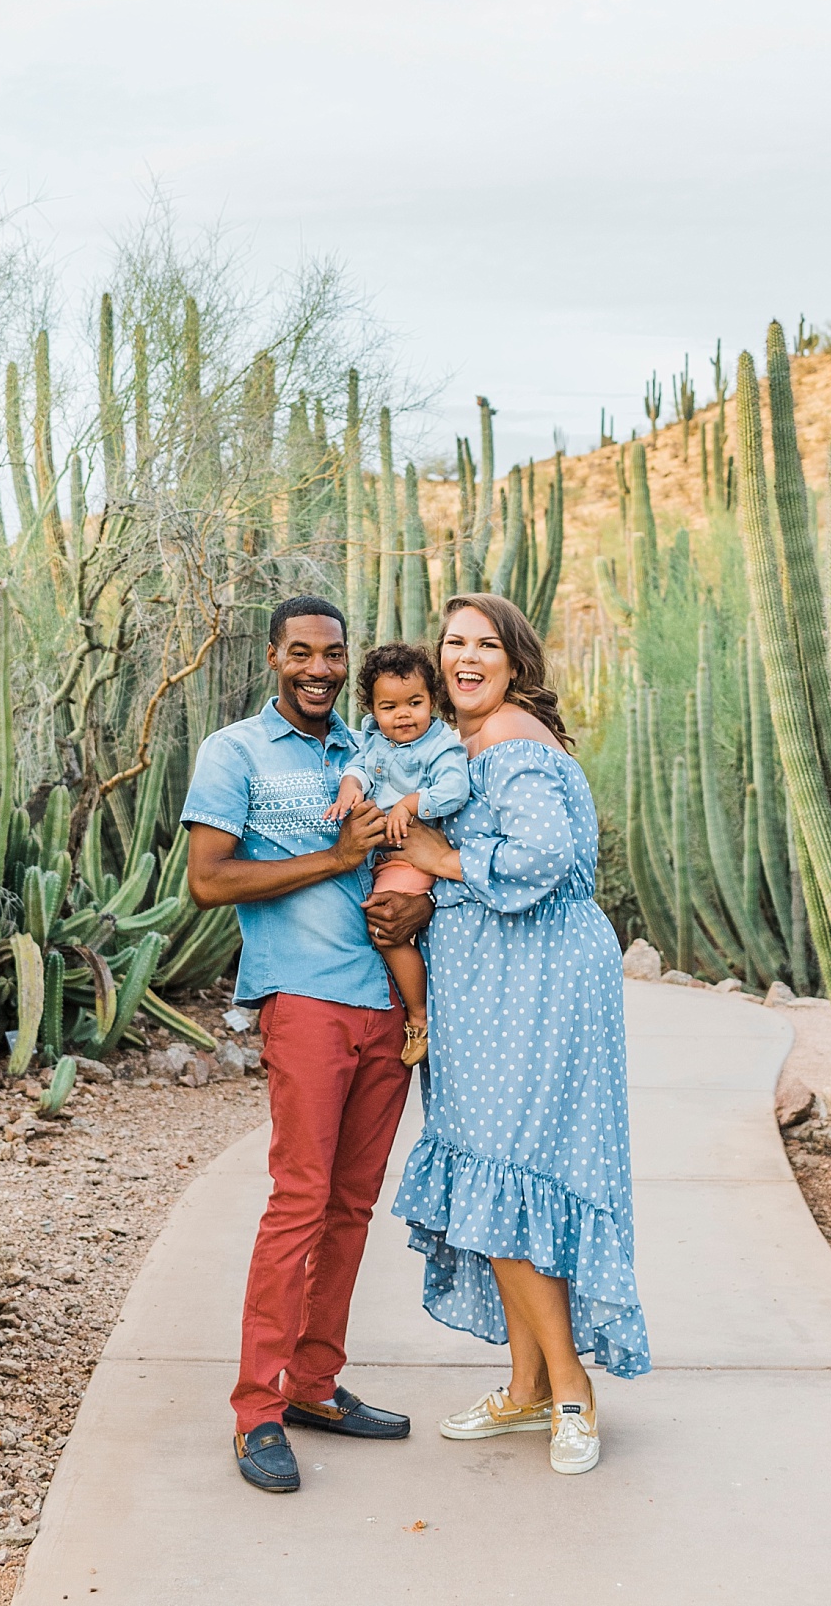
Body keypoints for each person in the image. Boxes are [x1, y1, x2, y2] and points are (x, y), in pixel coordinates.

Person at [392, 593, 650, 1477]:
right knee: (491, 1167)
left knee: (510, 1168)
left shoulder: (510, 742)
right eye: (454, 643)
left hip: (532, 978)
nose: (466, 657)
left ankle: (571, 1389)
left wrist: (443, 859)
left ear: (515, 659)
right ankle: (526, 1386)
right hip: (486, 980)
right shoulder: (465, 742)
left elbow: (541, 857)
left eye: (485, 645)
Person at [183, 595, 434, 1495]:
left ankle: (315, 1385)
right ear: (273, 657)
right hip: (306, 1001)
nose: (321, 668)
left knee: (352, 1206)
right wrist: (332, 858)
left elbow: (421, 851)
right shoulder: (235, 751)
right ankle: (257, 1409)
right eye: (302, 653)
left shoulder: (374, 749)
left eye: (333, 654)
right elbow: (209, 880)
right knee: (298, 1200)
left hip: (387, 1008)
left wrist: (424, 898)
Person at [326, 642, 470, 1067]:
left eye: (415, 703)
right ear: (372, 709)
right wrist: (350, 785)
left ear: (433, 701)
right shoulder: (374, 738)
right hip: (384, 856)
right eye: (389, 706)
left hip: (413, 854)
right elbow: (359, 765)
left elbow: (454, 789)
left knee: (383, 927)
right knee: (378, 924)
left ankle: (420, 1017)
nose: (403, 715)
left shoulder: (440, 745)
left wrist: (410, 803)